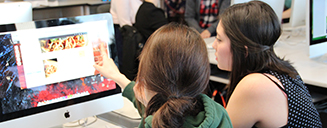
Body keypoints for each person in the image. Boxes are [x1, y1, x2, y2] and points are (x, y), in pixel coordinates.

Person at [94, 23, 232, 128]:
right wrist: (118, 77)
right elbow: (168, 110)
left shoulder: (153, 124)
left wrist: (149, 115)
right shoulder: (219, 114)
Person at [212, 1, 322, 127]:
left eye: (219, 39)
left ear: (244, 49)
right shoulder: (282, 70)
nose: (214, 45)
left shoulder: (254, 86)